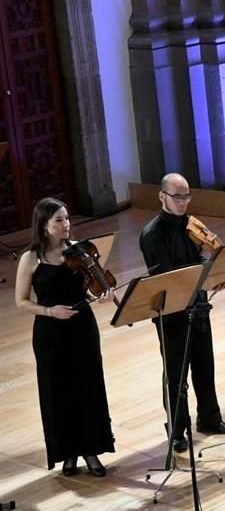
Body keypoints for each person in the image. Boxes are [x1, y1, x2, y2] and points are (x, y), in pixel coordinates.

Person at [140, 173, 225, 452]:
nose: (183, 202)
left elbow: (198, 259)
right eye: (177, 197)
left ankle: (209, 419)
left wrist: (215, 272)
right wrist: (204, 274)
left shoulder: (192, 225)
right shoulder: (152, 234)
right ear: (162, 197)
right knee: (176, 374)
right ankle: (177, 429)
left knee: (205, 366)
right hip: (171, 312)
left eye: (186, 197)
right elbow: (168, 275)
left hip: (198, 306)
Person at [14, 198, 114, 477]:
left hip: (82, 327)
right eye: (58, 220)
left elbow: (93, 289)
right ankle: (67, 453)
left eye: (67, 218)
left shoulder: (81, 252)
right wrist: (49, 311)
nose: (66, 224)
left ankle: (91, 451)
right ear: (44, 226)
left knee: (88, 387)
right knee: (57, 391)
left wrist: (102, 295)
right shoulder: (31, 258)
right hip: (50, 332)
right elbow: (21, 302)